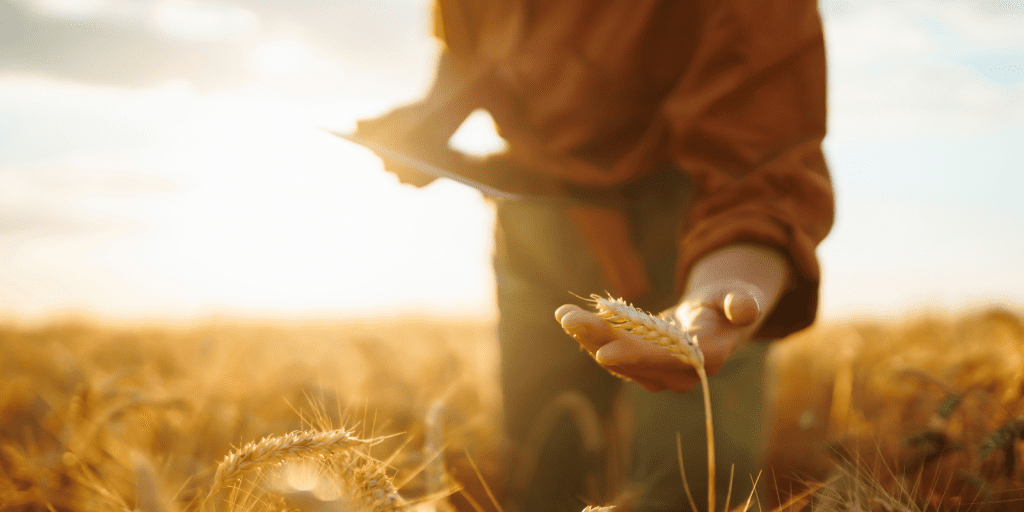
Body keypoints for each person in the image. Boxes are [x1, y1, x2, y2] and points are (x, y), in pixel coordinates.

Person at [354, 1, 834, 511]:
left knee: (684, 481)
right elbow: (471, 45)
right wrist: (431, 119)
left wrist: (722, 288)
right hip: (535, 217)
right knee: (539, 461)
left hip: (693, 230)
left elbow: (762, 157)